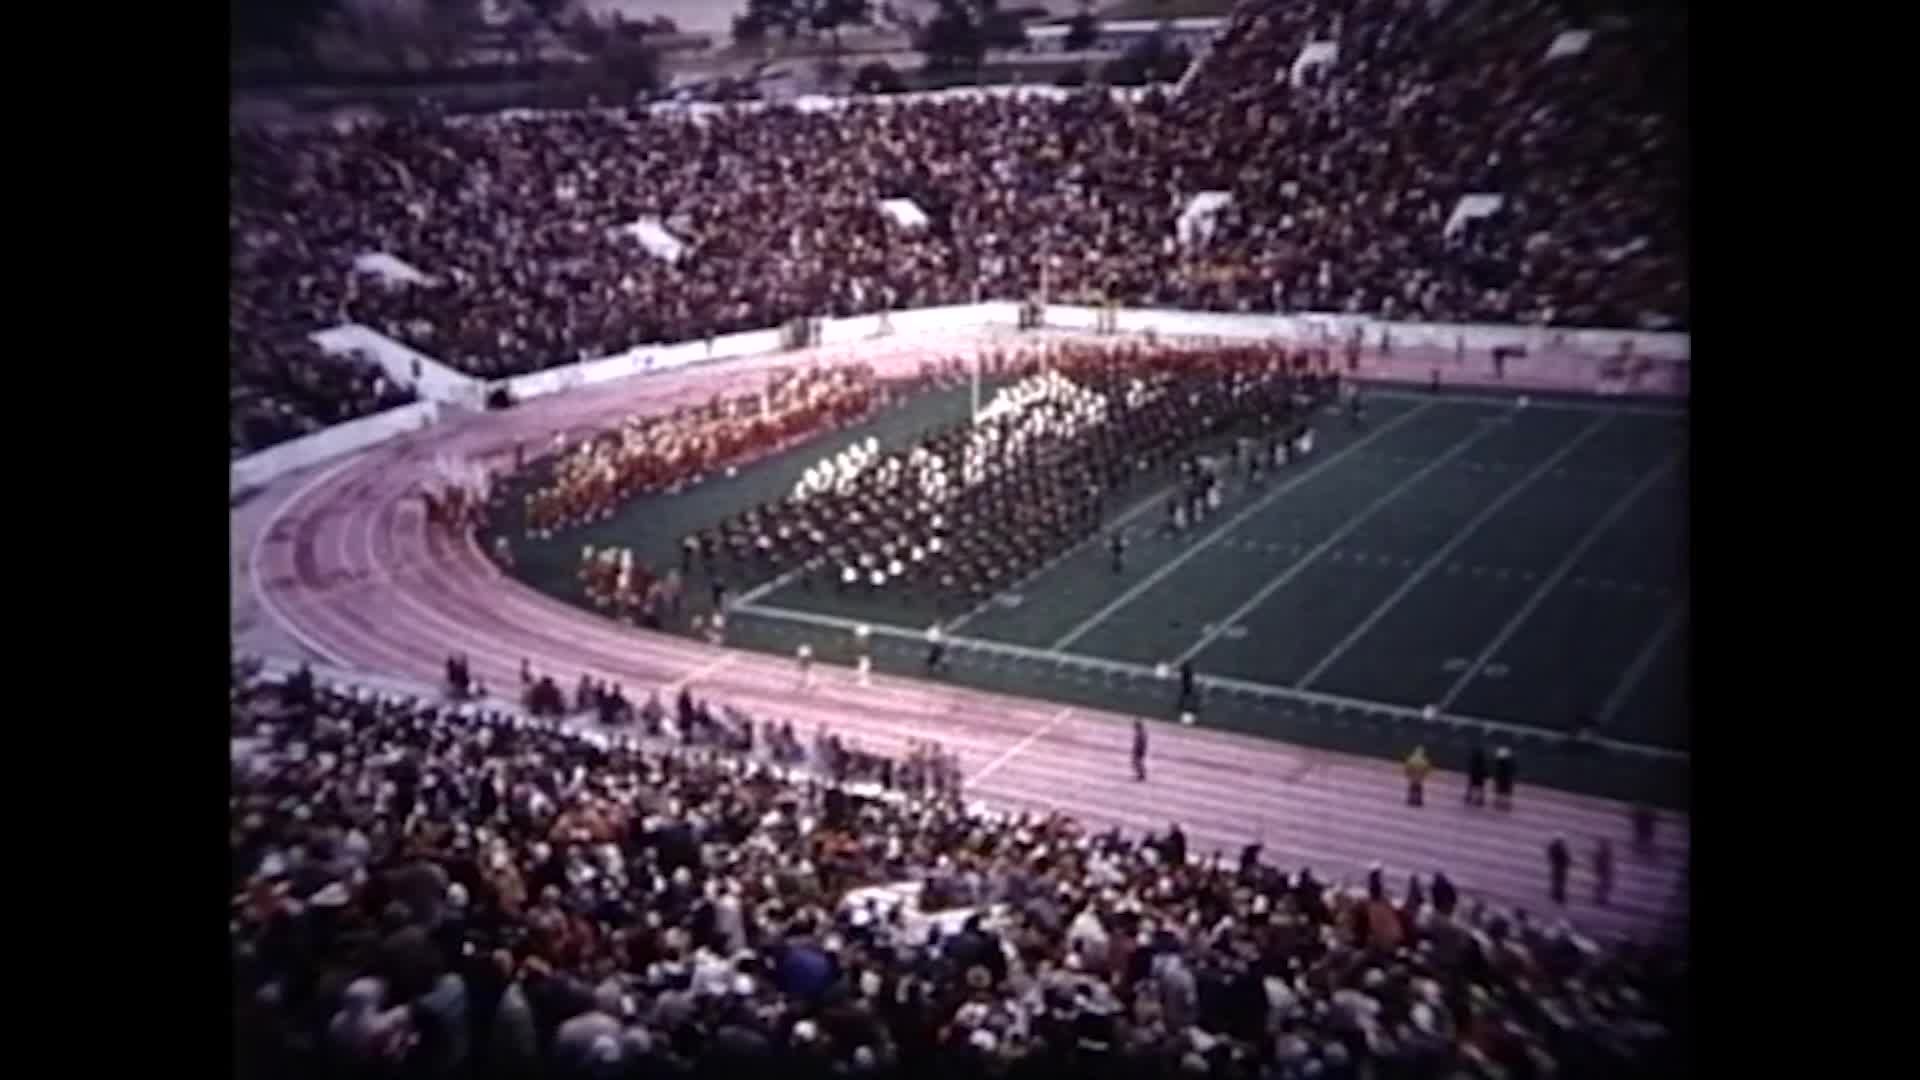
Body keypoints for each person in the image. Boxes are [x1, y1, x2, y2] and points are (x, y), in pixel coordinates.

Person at [1547, 835, 1570, 905]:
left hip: (1557, 867)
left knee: (1556, 882)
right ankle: (1559, 897)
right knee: (1559, 882)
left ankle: (1555, 895)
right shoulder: (1560, 849)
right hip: (1560, 868)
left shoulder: (1554, 848)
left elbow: (1550, 855)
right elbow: (1566, 858)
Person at [1492, 746, 1516, 811]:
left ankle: (1501, 803)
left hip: (1504, 779)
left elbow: (1498, 772)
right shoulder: (1508, 763)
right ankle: (1504, 803)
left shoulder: (1501, 763)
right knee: (1504, 793)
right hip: (1505, 779)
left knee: (1501, 792)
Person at [1594, 838, 1615, 906]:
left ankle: (1601, 898)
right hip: (1603, 872)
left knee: (1604, 885)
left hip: (1605, 872)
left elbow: (1609, 863)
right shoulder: (1602, 854)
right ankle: (1601, 899)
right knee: (1603, 885)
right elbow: (1598, 863)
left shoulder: (1607, 853)